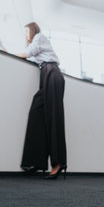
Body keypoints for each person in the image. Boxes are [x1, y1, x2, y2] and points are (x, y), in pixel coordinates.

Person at [15, 22, 67, 180]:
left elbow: (28, 53)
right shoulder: (38, 41)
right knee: (36, 113)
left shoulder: (39, 37)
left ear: (33, 29)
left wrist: (8, 52)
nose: (26, 35)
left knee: (53, 118)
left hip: (52, 72)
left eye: (26, 31)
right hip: (45, 74)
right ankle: (37, 161)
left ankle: (58, 164)